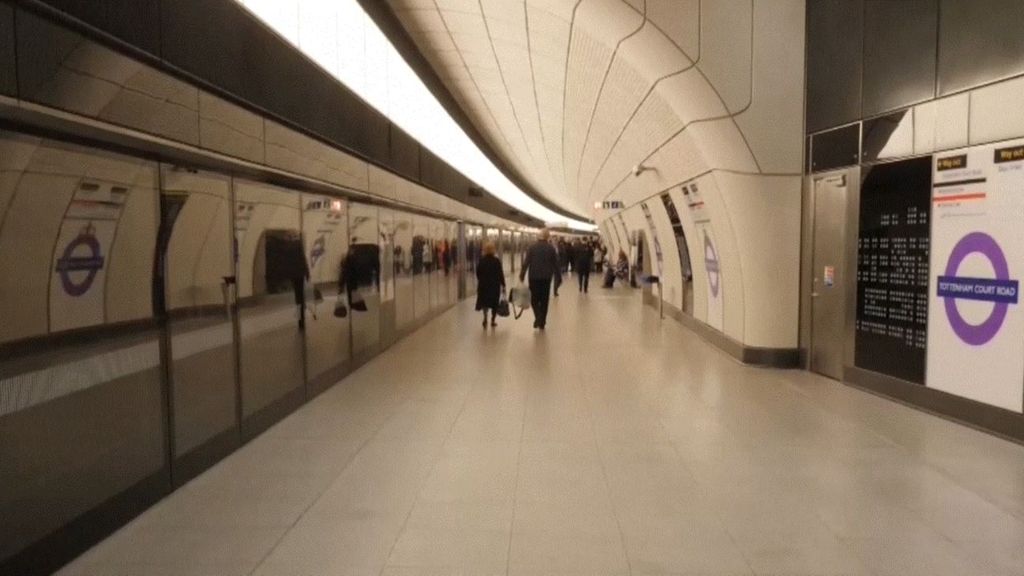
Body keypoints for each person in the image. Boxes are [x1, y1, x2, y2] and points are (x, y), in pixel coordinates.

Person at [519, 229, 561, 330]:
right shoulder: (551, 248)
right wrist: (558, 277)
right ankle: (542, 322)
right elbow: (556, 264)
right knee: (544, 300)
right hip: (546, 278)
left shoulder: (532, 247)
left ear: (539, 236)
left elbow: (526, 262)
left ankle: (538, 317)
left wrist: (522, 275)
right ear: (547, 237)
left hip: (534, 277)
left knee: (534, 299)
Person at [475, 241, 506, 328]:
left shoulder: (482, 260)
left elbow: (478, 273)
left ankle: (485, 317)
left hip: (483, 286)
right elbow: (500, 273)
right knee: (494, 303)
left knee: (485, 302)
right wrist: (503, 284)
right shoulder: (496, 261)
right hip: (494, 286)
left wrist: (481, 280)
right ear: (493, 250)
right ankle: (493, 320)